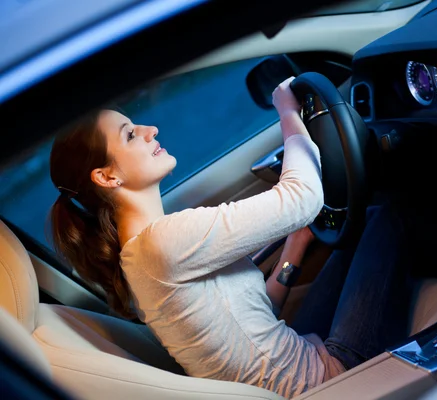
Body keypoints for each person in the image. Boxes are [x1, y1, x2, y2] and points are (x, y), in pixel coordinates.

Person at [49, 77, 412, 398]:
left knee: (370, 218)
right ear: (107, 178)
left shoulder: (141, 254)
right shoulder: (161, 244)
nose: (151, 129)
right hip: (332, 383)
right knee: (398, 211)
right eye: (130, 134)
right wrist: (287, 111)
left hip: (302, 358)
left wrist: (294, 247)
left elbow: (252, 324)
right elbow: (302, 199)